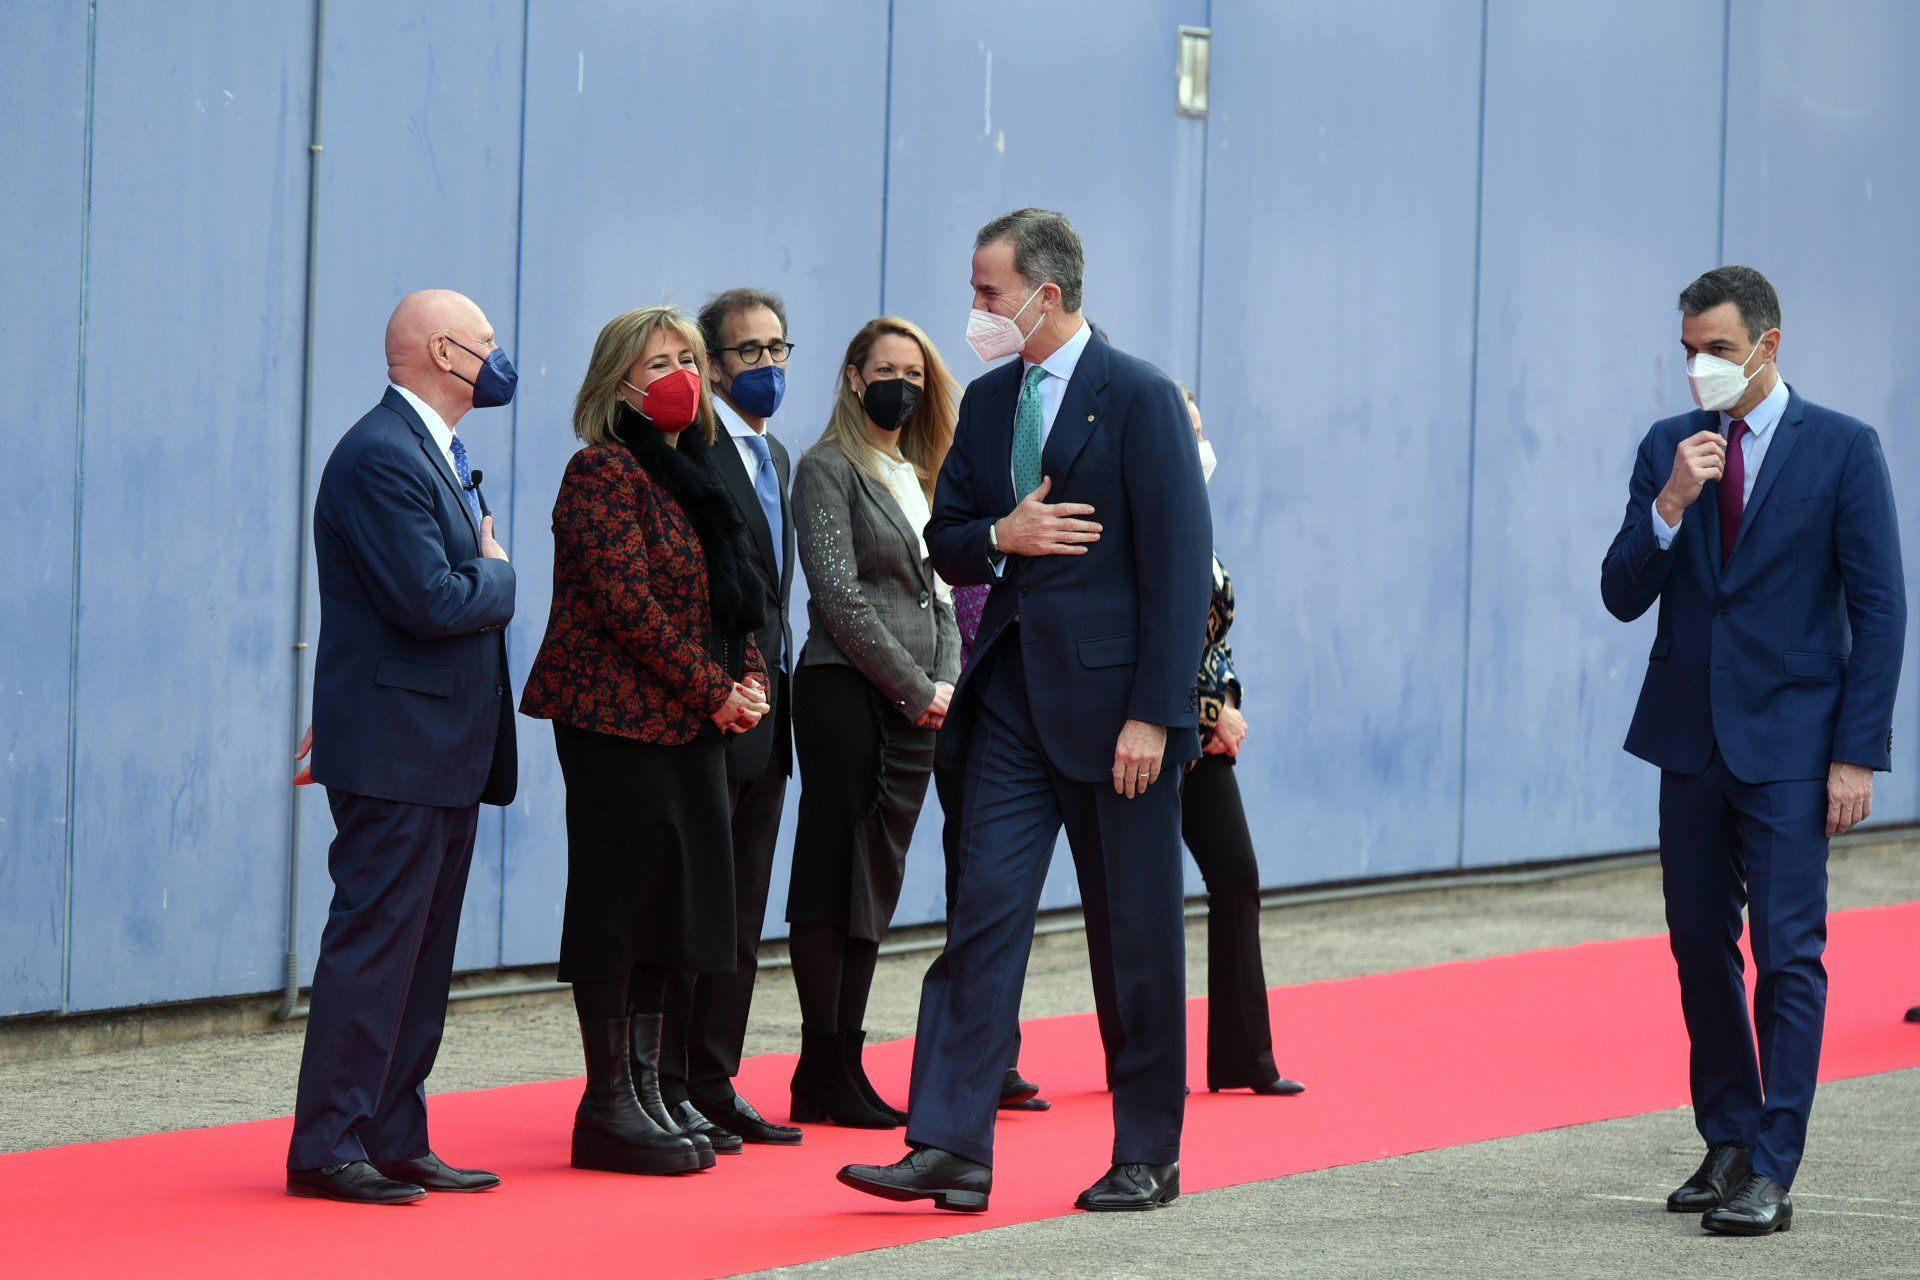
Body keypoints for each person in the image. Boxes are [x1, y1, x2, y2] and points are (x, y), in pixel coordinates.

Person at [838, 208, 1211, 1214]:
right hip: (1007, 702)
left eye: (990, 291)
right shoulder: (992, 399)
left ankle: (1147, 1150)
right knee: (982, 920)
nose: (975, 309)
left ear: (1047, 294)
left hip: (1117, 717)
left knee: (1132, 936)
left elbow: (1179, 570)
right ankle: (950, 1143)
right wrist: (1004, 531)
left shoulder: (1136, 397)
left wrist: (1156, 714)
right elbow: (948, 538)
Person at [1601, 266, 1905, 1236]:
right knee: (1698, 945)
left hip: (1792, 746)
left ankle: (1773, 1162)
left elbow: (1880, 611)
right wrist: (1672, 504)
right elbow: (1620, 588)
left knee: (1788, 954)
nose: (1701, 367)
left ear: (1770, 346)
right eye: (1690, 347)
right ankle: (1728, 1135)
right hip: (1690, 739)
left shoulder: (1845, 450)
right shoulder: (1666, 448)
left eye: (1719, 349)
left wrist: (1856, 753)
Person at [520, 305, 771, 1177]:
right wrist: (714, 693)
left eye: (689, 360)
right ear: (616, 383)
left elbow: (733, 598)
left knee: (677, 907)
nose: (681, 377)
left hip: (693, 721)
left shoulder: (694, 473)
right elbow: (630, 607)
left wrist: (748, 683)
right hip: (615, 722)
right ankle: (607, 1101)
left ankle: (652, 1089)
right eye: (658, 362)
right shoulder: (600, 471)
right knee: (619, 906)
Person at [285, 289, 518, 1205]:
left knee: (420, 953)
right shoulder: (382, 456)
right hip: (398, 750)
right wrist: (495, 571)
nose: (501, 361)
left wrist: (480, 572)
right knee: (377, 947)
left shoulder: (435, 452)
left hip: (439, 749)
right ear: (443, 352)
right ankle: (328, 1144)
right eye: (488, 345)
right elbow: (432, 600)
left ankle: (393, 1133)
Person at [785, 317, 961, 1128]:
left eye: (916, 374)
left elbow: (945, 594)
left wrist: (944, 684)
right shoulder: (827, 469)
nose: (903, 385)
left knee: (874, 881)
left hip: (916, 705)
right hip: (845, 694)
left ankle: (840, 1065)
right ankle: (822, 1066)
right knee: (832, 876)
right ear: (854, 378)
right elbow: (837, 598)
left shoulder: (917, 473)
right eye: (887, 369)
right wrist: (913, 685)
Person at [658, 288, 803, 1147]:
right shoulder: (692, 450)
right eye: (751, 352)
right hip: (708, 707)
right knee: (696, 904)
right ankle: (671, 1081)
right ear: (714, 365)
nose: (770, 366)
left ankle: (716, 1077)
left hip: (769, 711)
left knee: (746, 908)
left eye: (781, 349)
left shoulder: (774, 455)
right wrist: (718, 686)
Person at [1178, 389, 1304, 1097]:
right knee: (1133, 901)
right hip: (1151, 735)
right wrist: (1208, 712)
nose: (1200, 447)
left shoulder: (1197, 521)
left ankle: (1242, 1058)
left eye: (1202, 430)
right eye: (1185, 431)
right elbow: (1153, 641)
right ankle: (1135, 1053)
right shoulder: (1143, 521)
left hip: (1202, 737)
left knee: (1237, 876)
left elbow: (1209, 638)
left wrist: (1226, 701)